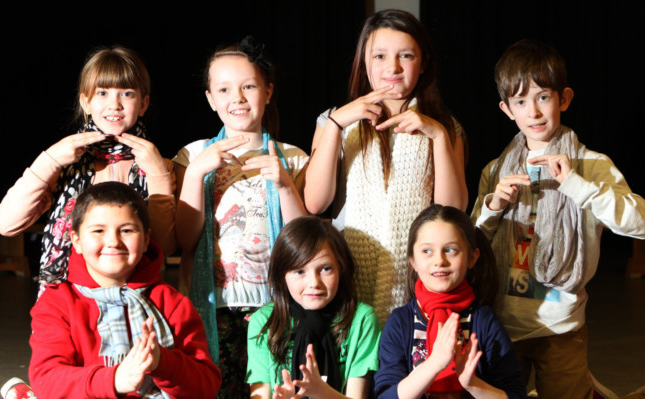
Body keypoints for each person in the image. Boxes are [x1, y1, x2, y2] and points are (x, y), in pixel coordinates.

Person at [471, 39, 645, 398]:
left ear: (564, 99)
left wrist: (578, 186)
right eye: (521, 101)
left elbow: (639, 223)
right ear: (507, 109)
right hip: (504, 325)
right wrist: (493, 207)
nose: (533, 112)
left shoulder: (592, 164)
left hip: (562, 326)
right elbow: (470, 246)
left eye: (543, 97)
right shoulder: (495, 169)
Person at [303, 9, 468, 325]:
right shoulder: (334, 120)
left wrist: (436, 134)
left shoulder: (445, 127)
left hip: (416, 284)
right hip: (349, 281)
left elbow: (452, 211)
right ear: (364, 61)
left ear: (423, 62)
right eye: (379, 56)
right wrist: (338, 124)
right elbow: (315, 202)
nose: (392, 67)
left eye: (405, 55)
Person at [173, 36, 308, 398]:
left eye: (249, 86)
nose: (238, 97)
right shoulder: (192, 155)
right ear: (210, 99)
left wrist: (285, 186)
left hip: (272, 304)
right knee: (218, 387)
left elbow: (303, 242)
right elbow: (184, 239)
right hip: (214, 304)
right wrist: (197, 172)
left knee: (268, 388)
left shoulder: (292, 157)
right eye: (224, 89)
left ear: (268, 91)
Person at [0, 46, 176, 295]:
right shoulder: (66, 162)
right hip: (69, 301)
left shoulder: (160, 165)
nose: (114, 104)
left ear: (143, 103)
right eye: (102, 92)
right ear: (85, 102)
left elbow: (163, 248)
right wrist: (48, 160)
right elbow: (6, 224)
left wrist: (157, 175)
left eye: (127, 93)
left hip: (135, 300)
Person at [28, 181, 221, 399]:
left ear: (146, 239)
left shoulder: (172, 303)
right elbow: (48, 381)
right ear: (77, 241)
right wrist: (116, 379)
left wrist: (161, 361)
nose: (113, 241)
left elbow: (206, 386)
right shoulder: (56, 303)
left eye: (127, 230)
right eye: (98, 230)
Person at [375, 205, 526, 398]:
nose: (439, 260)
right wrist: (434, 364)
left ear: (472, 257)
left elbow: (516, 394)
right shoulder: (400, 321)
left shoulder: (484, 321)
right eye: (427, 251)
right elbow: (385, 394)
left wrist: (472, 384)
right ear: (413, 260)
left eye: (450, 250)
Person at [247, 216, 381, 399]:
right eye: (300, 271)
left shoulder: (362, 319)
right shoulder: (263, 322)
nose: (314, 283)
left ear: (341, 268)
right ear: (282, 274)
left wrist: (323, 393)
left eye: (326, 269)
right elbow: (259, 394)